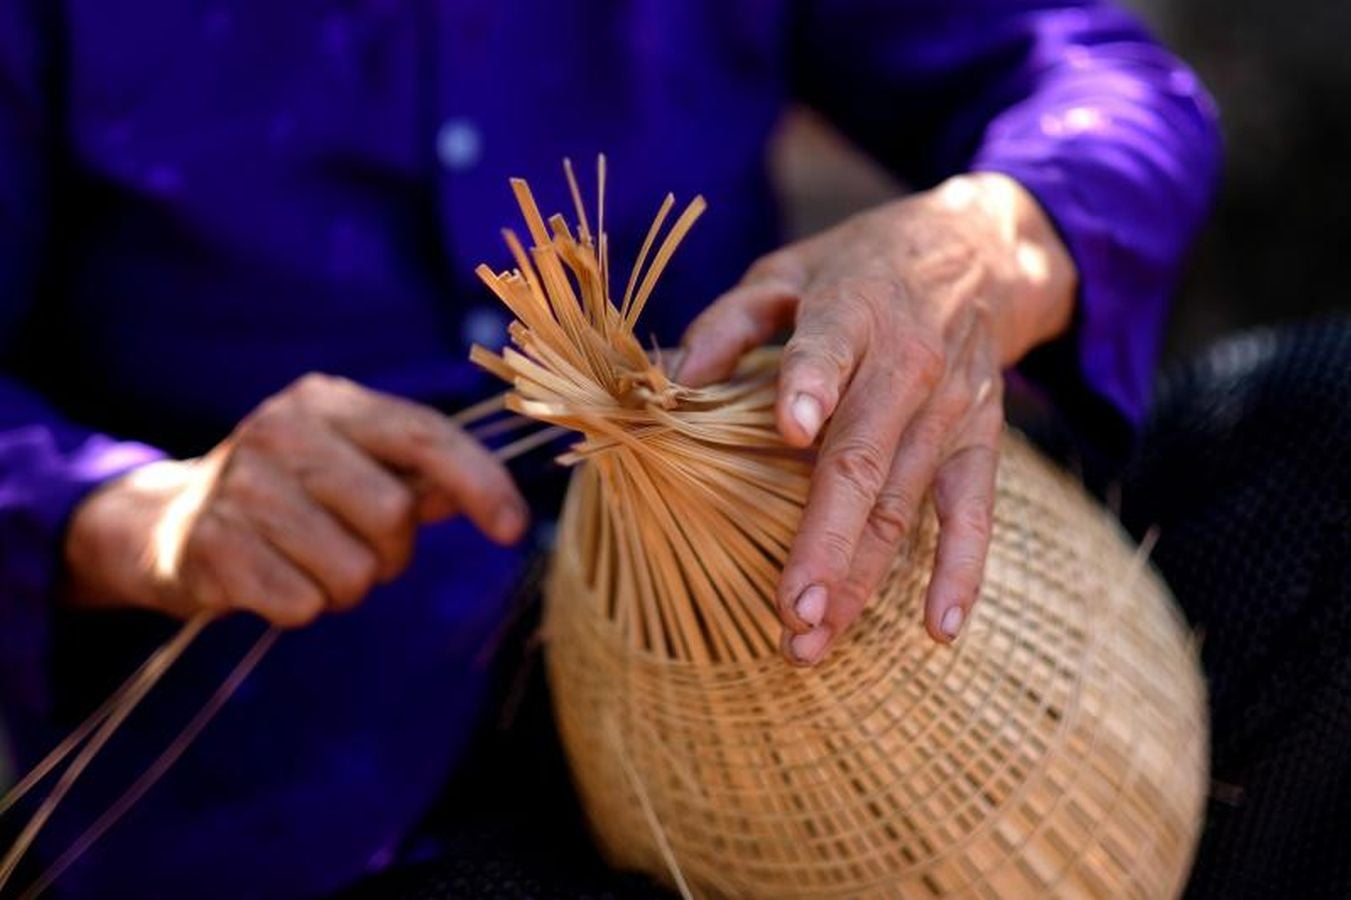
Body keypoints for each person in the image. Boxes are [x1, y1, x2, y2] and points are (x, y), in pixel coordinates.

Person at [0, 1, 1219, 896]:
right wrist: (131, 513)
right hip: (313, 770)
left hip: (766, 669)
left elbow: (1097, 77)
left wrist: (987, 242)